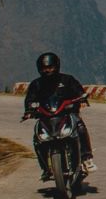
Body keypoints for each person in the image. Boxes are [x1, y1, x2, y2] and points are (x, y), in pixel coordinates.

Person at [22, 52, 96, 180]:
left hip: (67, 114)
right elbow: (30, 99)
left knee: (80, 126)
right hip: (46, 117)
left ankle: (86, 158)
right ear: (39, 69)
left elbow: (79, 92)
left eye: (50, 67)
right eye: (44, 68)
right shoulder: (36, 84)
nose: (47, 71)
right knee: (37, 139)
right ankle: (45, 168)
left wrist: (81, 99)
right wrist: (29, 110)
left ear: (57, 66)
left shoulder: (67, 80)